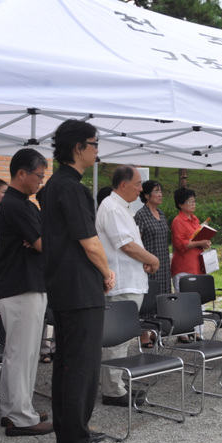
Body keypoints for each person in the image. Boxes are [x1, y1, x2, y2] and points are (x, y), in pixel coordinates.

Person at [39, 119, 117, 443]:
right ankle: (76, 441)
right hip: (79, 287)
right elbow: (89, 241)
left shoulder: (54, 185)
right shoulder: (71, 188)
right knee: (82, 365)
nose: (98, 150)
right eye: (95, 143)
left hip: (64, 286)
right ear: (78, 147)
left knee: (67, 363)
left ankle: (70, 431)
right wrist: (106, 271)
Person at [0, 148, 53, 437]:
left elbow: (43, 237)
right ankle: (20, 416)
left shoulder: (24, 204)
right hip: (21, 284)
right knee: (22, 352)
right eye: (39, 175)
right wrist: (42, 241)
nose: (41, 181)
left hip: (28, 282)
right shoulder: (15, 205)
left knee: (22, 351)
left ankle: (15, 408)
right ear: (21, 173)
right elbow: (44, 243)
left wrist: (42, 240)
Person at [95, 165, 158, 407]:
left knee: (122, 340)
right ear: (123, 184)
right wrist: (152, 259)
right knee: (117, 340)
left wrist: (145, 260)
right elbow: (126, 245)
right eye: (138, 184)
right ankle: (113, 390)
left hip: (130, 281)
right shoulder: (111, 207)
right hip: (121, 283)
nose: (141, 189)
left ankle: (116, 384)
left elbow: (131, 244)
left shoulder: (122, 207)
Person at [168, 186, 211, 341]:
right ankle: (183, 333)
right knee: (184, 300)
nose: (193, 204)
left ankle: (198, 332)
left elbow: (196, 238)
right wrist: (199, 242)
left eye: (194, 201)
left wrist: (205, 241)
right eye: (189, 202)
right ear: (180, 204)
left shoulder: (195, 219)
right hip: (184, 266)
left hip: (197, 264)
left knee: (199, 299)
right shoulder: (178, 221)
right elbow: (180, 245)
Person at [133, 180, 172, 347]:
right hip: (148, 265)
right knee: (148, 298)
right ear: (147, 195)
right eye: (156, 191)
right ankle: (144, 335)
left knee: (162, 297)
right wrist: (144, 260)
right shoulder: (141, 215)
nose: (160, 194)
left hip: (163, 263)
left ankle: (157, 331)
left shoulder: (161, 214)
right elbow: (137, 241)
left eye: (160, 191)